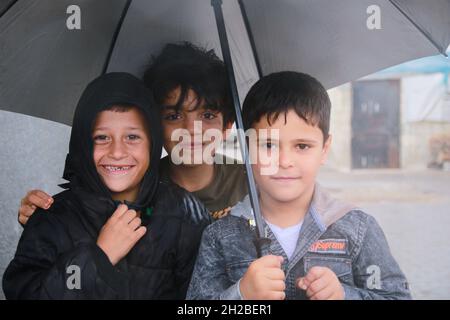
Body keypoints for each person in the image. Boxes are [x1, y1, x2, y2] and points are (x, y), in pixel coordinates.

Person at [186, 71, 411, 300]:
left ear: (324, 148)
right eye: (269, 145)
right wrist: (241, 294)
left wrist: (344, 295)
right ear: (247, 148)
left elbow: (396, 297)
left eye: (302, 146)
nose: (284, 162)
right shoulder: (219, 235)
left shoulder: (358, 229)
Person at [3, 72, 212, 299]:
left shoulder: (185, 214)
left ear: (152, 144)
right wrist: (98, 258)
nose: (117, 152)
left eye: (132, 137)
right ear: (83, 143)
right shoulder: (53, 217)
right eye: (102, 138)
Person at [17, 42, 247, 224]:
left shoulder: (252, 184)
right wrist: (46, 220)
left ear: (227, 126)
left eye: (207, 116)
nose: (190, 131)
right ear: (152, 126)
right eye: (174, 116)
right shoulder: (129, 182)